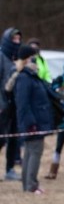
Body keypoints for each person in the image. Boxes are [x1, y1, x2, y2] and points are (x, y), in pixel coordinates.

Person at [12, 45, 54, 193]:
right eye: (32, 58)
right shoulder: (24, 78)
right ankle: (31, 185)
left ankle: (28, 184)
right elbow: (23, 104)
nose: (35, 61)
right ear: (26, 60)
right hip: (33, 124)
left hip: (37, 121)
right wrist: (31, 124)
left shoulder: (31, 77)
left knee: (31, 152)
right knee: (34, 152)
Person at [0, 27, 23, 182]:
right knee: (1, 139)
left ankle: (10, 169)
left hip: (16, 104)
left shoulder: (19, 58)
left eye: (18, 39)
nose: (17, 42)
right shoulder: (1, 57)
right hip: (3, 104)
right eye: (14, 39)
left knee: (14, 139)